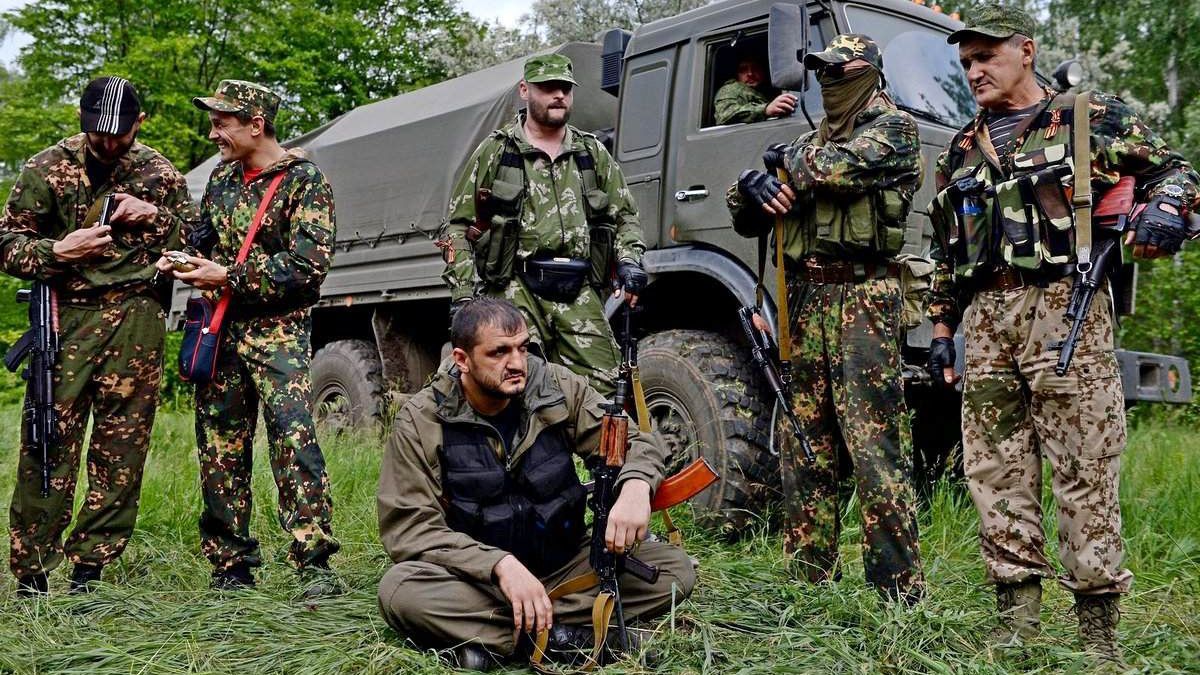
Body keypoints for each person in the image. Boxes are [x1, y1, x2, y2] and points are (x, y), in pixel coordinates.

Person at [925, 4, 1199, 667]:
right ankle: (1017, 626)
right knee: (995, 473)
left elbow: (1175, 169)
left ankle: (1097, 639)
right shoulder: (964, 146)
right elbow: (945, 248)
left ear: (1025, 49)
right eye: (965, 61)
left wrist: (1165, 207)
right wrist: (940, 327)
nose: (975, 70)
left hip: (1064, 306)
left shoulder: (1086, 118)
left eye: (986, 55)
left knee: (1084, 472)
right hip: (986, 321)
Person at [376, 297, 695, 671]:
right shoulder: (422, 420)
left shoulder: (556, 387)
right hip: (480, 580)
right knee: (399, 591)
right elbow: (411, 527)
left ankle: (504, 638)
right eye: (499, 352)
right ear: (462, 360)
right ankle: (571, 637)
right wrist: (498, 565)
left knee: (674, 570)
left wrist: (637, 486)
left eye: (522, 348)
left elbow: (634, 444)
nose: (516, 363)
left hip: (564, 561)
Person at [727, 34, 925, 603]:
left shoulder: (895, 130)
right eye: (822, 73)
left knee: (873, 445)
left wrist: (776, 161)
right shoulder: (807, 142)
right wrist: (750, 187)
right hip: (807, 302)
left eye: (843, 72)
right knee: (803, 440)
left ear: (870, 73)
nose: (830, 82)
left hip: (864, 300)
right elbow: (746, 217)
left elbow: (830, 170)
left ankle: (897, 594)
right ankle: (808, 580)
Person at [1, 76, 195, 596]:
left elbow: (198, 240)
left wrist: (153, 215)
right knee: (47, 438)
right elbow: (6, 241)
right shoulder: (46, 168)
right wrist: (57, 252)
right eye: (96, 132)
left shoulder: (160, 173)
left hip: (137, 317)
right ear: (81, 118)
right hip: (67, 314)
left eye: (119, 134)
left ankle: (91, 569)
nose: (107, 143)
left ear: (139, 124)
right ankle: (32, 570)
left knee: (121, 448)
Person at [155, 79, 340, 597]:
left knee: (293, 442)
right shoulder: (220, 179)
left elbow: (307, 268)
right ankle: (230, 566)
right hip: (221, 331)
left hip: (277, 336)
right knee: (219, 447)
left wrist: (228, 277)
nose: (214, 132)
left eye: (222, 122)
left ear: (256, 124)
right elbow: (205, 238)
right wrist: (185, 260)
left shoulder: (306, 183)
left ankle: (314, 563)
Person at [440, 54, 647, 398]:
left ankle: (603, 453)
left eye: (565, 89)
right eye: (548, 88)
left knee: (608, 393)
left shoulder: (591, 152)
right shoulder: (497, 151)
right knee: (513, 391)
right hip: (514, 289)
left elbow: (625, 215)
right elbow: (458, 227)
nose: (558, 96)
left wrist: (628, 260)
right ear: (525, 90)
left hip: (579, 290)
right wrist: (464, 296)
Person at [713, 52, 798, 125]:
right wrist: (765, 109)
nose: (750, 73)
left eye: (755, 68)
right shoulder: (731, 88)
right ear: (737, 74)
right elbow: (725, 115)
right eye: (743, 70)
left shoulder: (764, 92)